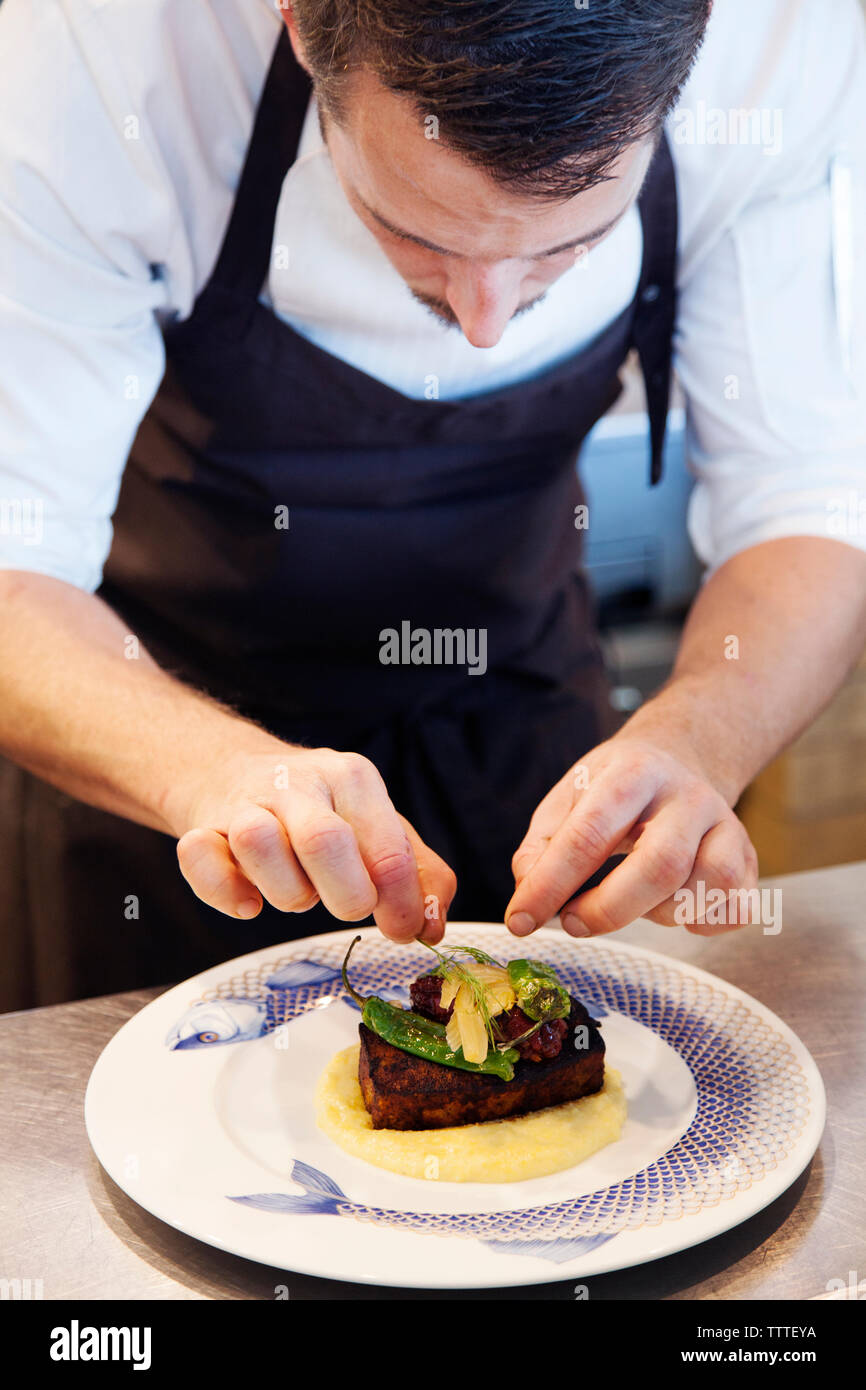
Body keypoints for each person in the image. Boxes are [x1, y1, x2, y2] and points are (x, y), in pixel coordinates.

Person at [0, 0, 864, 1010]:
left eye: (564, 247)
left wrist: (697, 739)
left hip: (529, 730)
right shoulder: (96, 53)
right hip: (155, 753)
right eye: (410, 232)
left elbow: (804, 501)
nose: (482, 322)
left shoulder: (782, 43)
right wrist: (210, 770)